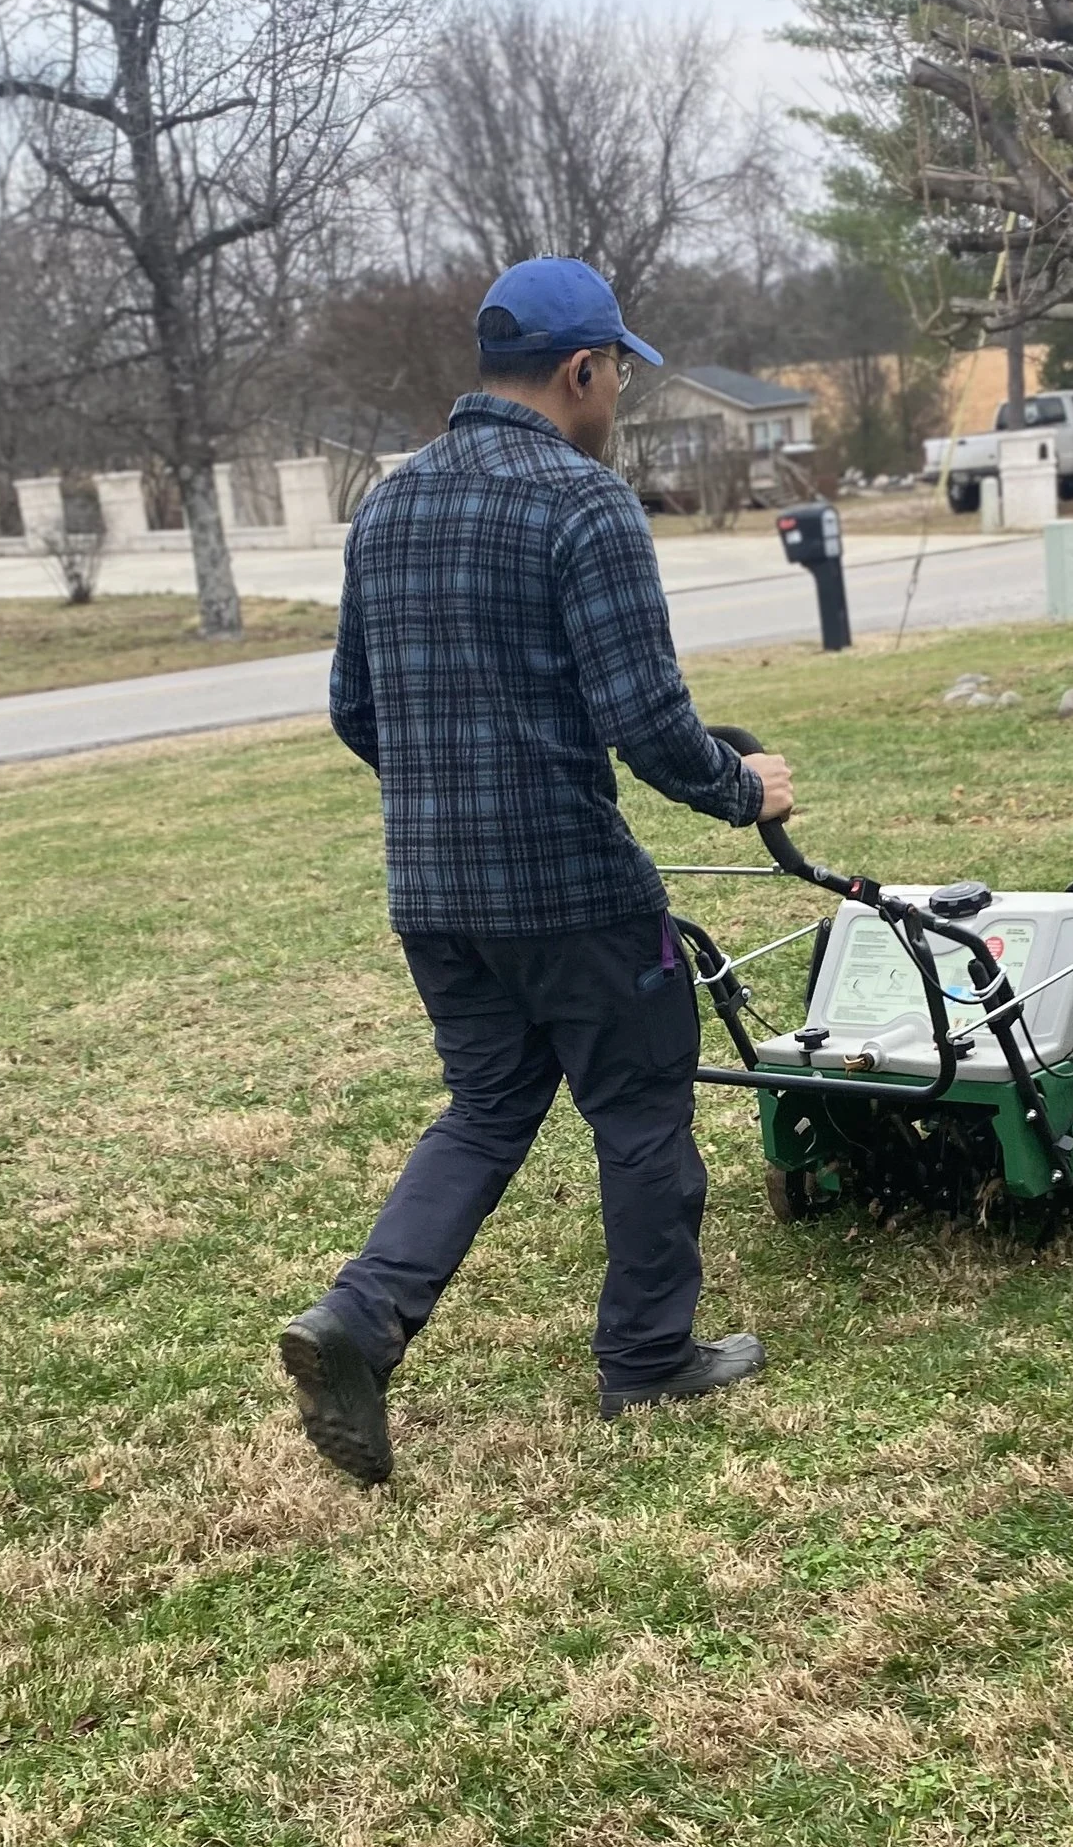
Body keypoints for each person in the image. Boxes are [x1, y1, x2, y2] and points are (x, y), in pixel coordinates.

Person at [278, 256, 799, 1488]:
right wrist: (746, 789)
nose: (617, 390)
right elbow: (646, 720)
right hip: (575, 895)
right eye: (617, 368)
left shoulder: (388, 508)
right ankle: (647, 1357)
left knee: (489, 1107)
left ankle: (358, 1321)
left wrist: (450, 785)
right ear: (580, 369)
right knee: (640, 1112)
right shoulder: (585, 503)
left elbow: (357, 710)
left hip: (434, 898)